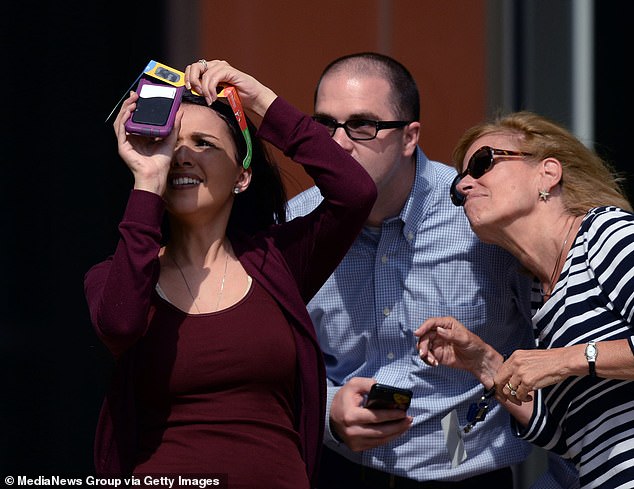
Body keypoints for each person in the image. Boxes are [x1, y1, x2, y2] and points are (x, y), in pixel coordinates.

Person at [84, 59, 376, 488]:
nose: (181, 155)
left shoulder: (279, 261)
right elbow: (120, 323)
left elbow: (355, 193)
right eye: (169, 142)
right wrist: (147, 178)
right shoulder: (115, 275)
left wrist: (259, 98)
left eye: (203, 143)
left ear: (243, 176)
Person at [286, 52, 563, 488]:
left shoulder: (479, 220)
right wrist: (326, 412)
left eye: (363, 125)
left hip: (466, 472)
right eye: (324, 125)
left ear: (409, 137)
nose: (337, 143)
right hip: (339, 468)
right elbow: (274, 359)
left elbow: (557, 348)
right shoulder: (295, 227)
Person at [415, 111, 634, 488]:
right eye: (457, 184)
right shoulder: (539, 291)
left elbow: (572, 363)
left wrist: (565, 359)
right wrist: (485, 363)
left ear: (547, 173)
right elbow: (569, 441)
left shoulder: (606, 234)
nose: (465, 185)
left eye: (483, 164)